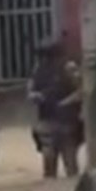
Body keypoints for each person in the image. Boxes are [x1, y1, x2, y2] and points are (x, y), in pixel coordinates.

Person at [28, 40, 82, 179]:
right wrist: (37, 97)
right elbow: (30, 92)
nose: (46, 59)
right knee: (49, 167)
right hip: (48, 122)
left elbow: (81, 91)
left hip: (67, 122)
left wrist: (64, 103)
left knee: (70, 165)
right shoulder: (38, 70)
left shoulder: (69, 68)